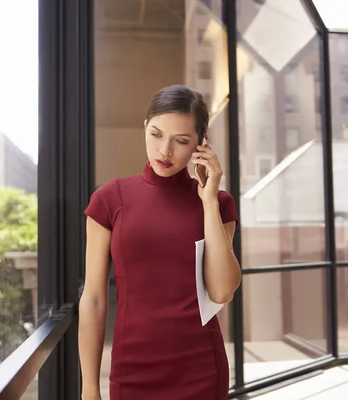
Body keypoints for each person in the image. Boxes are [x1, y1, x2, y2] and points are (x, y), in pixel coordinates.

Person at [79, 85, 241, 400]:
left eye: (181, 141)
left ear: (201, 143)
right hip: (132, 369)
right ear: (145, 127)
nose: (164, 152)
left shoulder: (219, 204)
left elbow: (221, 291)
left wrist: (208, 201)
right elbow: (94, 298)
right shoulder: (110, 199)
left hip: (201, 370)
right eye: (156, 135)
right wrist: (88, 387)